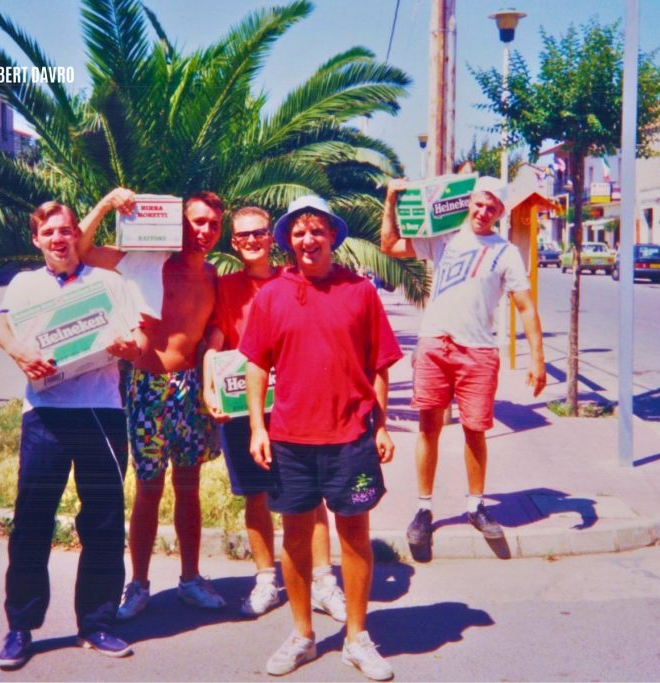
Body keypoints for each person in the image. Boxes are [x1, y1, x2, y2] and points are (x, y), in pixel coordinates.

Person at [241, 196, 402, 680]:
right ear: (288, 241)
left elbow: (379, 365)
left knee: (354, 537)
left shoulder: (361, 291)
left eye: (316, 230)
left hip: (351, 438)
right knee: (294, 541)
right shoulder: (272, 295)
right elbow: (256, 364)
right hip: (290, 439)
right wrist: (257, 427)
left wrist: (381, 425)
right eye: (298, 232)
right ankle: (303, 635)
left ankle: (357, 637)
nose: (308, 240)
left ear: (332, 235)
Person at [0, 201, 142, 669]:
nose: (59, 238)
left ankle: (96, 623)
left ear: (78, 234)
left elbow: (138, 340)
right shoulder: (25, 284)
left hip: (101, 412)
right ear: (36, 239)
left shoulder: (109, 282)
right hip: (46, 414)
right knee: (32, 520)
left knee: (103, 521)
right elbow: (1, 324)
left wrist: (126, 347)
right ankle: (20, 626)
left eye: (67, 230)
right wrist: (19, 352)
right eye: (50, 232)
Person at [77, 187, 226, 619]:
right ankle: (139, 584)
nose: (205, 231)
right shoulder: (147, 262)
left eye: (213, 224)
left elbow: (214, 331)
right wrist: (106, 204)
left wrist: (214, 381)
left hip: (191, 389)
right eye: (197, 222)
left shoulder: (213, 275)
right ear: (180, 223)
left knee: (189, 488)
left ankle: (190, 579)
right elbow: (82, 251)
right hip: (148, 387)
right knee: (148, 488)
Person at [380, 176, 546, 554]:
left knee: (475, 431)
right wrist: (390, 201)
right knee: (429, 428)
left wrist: (537, 359)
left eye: (492, 208)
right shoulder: (443, 238)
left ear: (500, 213)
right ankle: (424, 508)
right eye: (479, 204)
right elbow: (389, 246)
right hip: (435, 344)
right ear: (469, 202)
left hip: (478, 352)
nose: (483, 212)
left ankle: (475, 506)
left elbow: (525, 306)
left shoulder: (505, 253)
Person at [201, 206, 346, 621]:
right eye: (243, 235)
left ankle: (323, 581)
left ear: (272, 237)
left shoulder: (295, 279)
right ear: (234, 242)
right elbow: (214, 342)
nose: (251, 240)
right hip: (242, 406)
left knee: (312, 496)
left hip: (295, 405)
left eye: (259, 233)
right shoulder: (226, 287)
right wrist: (209, 388)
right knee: (256, 494)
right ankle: (266, 579)